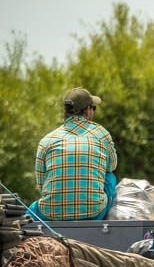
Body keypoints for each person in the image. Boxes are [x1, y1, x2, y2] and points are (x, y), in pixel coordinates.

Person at [31, 87, 118, 221]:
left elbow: (42, 184)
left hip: (51, 214)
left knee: (30, 211)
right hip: (94, 213)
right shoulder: (101, 134)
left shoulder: (47, 140)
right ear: (87, 110)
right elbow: (112, 166)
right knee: (110, 177)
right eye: (93, 107)